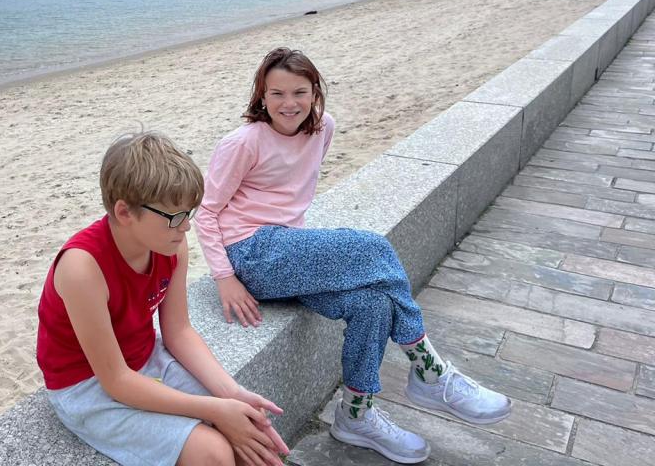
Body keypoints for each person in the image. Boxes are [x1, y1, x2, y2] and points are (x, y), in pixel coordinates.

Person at [194, 47, 511, 465]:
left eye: (299, 92)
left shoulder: (323, 128)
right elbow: (206, 212)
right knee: (374, 248)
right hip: (251, 252)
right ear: (261, 96)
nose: (289, 104)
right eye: (277, 94)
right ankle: (430, 370)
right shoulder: (243, 142)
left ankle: (356, 415)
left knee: (372, 304)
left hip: (290, 250)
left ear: (315, 92)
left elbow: (292, 195)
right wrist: (224, 277)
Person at [37, 132, 291, 466]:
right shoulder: (81, 268)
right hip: (87, 384)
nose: (185, 228)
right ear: (125, 212)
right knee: (213, 453)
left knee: (250, 430)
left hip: (145, 356)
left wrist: (231, 394)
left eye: (189, 213)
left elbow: (179, 331)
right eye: (174, 217)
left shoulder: (170, 245)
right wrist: (214, 409)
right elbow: (115, 380)